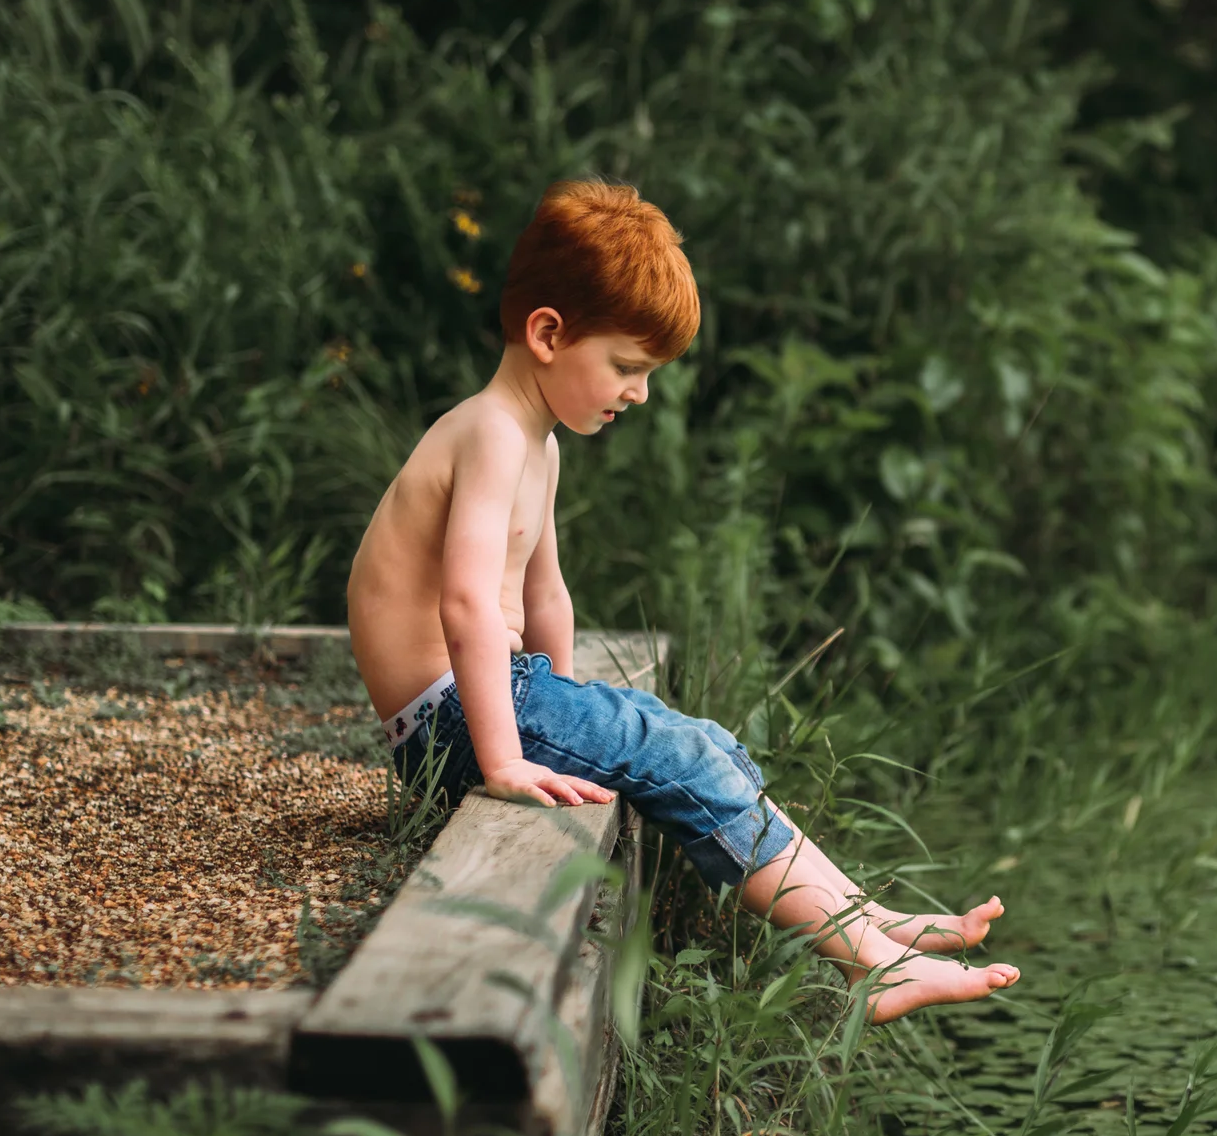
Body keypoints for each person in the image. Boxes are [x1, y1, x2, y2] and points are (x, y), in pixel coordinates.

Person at [346, 179, 1017, 1023]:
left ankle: (866, 920)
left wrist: (562, 702)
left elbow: (544, 593)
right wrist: (510, 758)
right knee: (684, 758)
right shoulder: (488, 431)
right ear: (549, 333)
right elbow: (470, 605)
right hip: (451, 723)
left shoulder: (534, 441)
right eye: (627, 366)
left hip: (489, 700)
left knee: (708, 746)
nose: (640, 392)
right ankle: (868, 963)